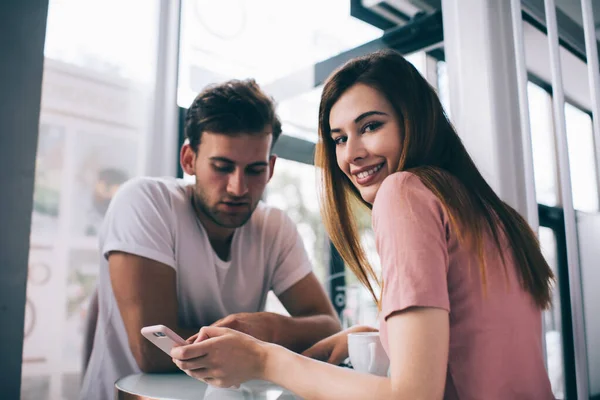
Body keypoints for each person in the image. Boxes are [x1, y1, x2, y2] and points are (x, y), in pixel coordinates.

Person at [170, 50, 556, 399]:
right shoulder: (495, 215)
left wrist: (264, 361)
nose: (351, 154)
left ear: (413, 120)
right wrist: (381, 336)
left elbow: (413, 396)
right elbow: (482, 343)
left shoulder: (404, 192)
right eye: (339, 139)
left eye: (370, 126)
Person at [79, 79, 341, 400]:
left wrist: (267, 330)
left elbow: (330, 328)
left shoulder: (274, 227)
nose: (238, 188)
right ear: (189, 159)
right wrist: (259, 344)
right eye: (222, 167)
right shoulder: (145, 201)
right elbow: (155, 352)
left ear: (271, 168)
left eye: (255, 170)